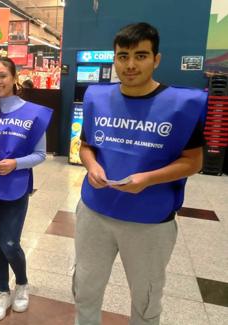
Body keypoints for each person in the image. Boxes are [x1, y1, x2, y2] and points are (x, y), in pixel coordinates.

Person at [74, 22, 206, 325]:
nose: (130, 65)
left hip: (150, 222)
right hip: (95, 213)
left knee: (146, 299)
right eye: (123, 56)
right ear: (114, 58)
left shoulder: (182, 105)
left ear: (156, 59)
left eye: (141, 55)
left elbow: (193, 162)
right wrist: (92, 166)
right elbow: (86, 146)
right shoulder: (97, 98)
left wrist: (147, 179)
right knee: (85, 289)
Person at [0, 57, 52, 320]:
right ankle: (2, 290)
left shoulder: (35, 113)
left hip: (14, 185)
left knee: (10, 242)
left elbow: (40, 155)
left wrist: (15, 164)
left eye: (2, 76)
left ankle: (22, 284)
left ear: (14, 77)